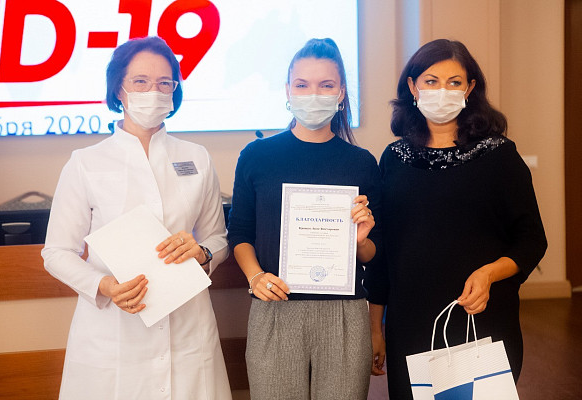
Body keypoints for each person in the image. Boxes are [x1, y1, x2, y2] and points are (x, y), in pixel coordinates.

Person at [41, 36, 232, 400]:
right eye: (140, 81)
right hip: (113, 331)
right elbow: (57, 252)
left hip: (187, 324)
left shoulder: (197, 158)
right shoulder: (85, 162)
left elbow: (217, 238)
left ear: (174, 91)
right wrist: (104, 286)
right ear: (119, 88)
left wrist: (202, 252)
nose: (153, 92)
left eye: (164, 83)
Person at [365, 39, 547, 399]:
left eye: (454, 82)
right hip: (410, 323)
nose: (442, 91)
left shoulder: (499, 156)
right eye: (431, 81)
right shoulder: (394, 158)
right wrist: (375, 328)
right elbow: (382, 253)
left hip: (482, 320)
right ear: (413, 87)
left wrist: (489, 273)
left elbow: (531, 240)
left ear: (470, 88)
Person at [227, 38, 382, 400]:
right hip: (275, 308)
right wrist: (255, 276)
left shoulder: (361, 163)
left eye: (326, 85)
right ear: (288, 91)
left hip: (344, 314)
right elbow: (240, 232)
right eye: (302, 84)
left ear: (341, 93)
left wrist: (360, 241)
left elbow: (375, 253)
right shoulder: (257, 156)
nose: (314, 94)